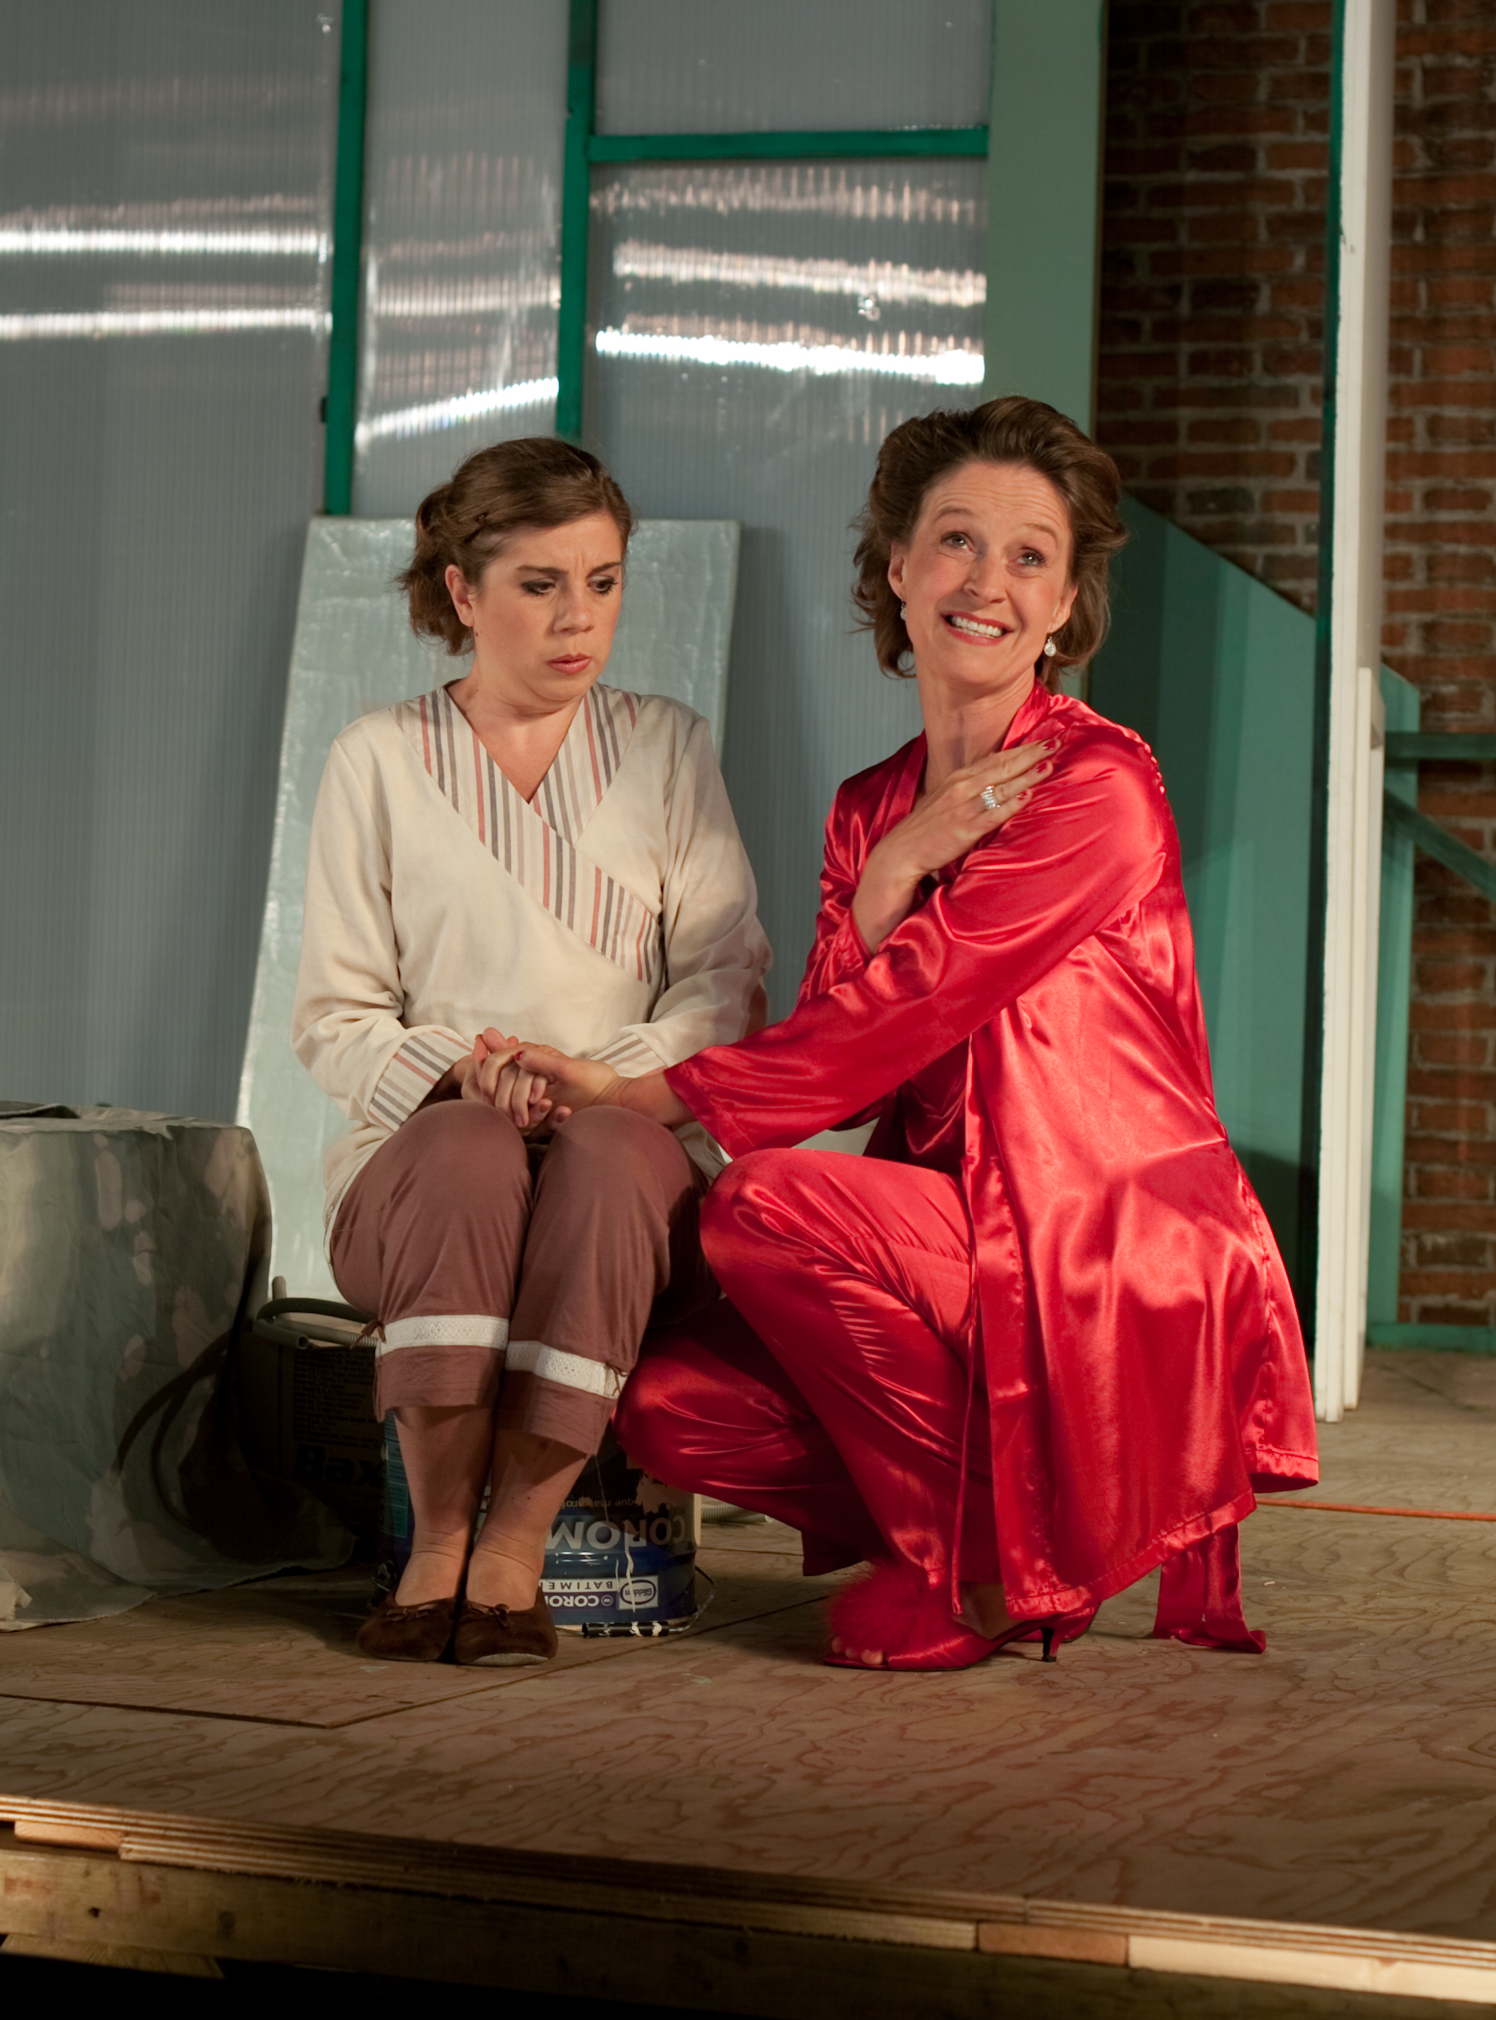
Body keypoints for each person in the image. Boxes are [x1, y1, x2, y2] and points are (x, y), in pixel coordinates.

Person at [512, 396, 1320, 1672]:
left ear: (1062, 604)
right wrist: (889, 868)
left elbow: (893, 1016)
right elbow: (841, 1056)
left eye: (1027, 556)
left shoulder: (1096, 787)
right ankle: (1000, 1531)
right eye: (954, 540)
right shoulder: (870, 806)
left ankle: (984, 1572)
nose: (985, 581)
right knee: (671, 1408)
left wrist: (635, 1095)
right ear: (897, 568)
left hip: (1094, 1238)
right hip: (951, 1230)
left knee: (762, 1210)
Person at [291, 437, 771, 1666]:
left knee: (604, 1157)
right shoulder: (377, 759)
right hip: (428, 1166)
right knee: (467, 1148)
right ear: (461, 590)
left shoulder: (666, 746)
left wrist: (599, 1082)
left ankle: (510, 1555)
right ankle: (436, 1548)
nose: (578, 619)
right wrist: (466, 1074)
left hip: (625, 1147)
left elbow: (724, 982)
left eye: (602, 583)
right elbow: (335, 1016)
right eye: (540, 584)